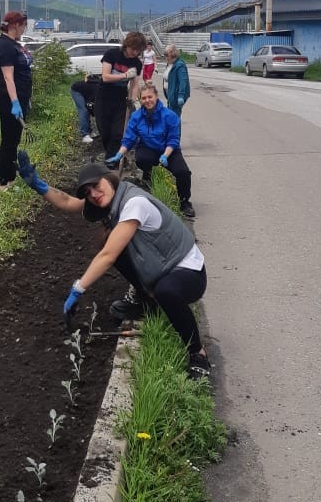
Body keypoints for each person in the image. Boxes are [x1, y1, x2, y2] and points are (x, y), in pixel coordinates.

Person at [16, 153, 211, 380]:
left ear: (108, 179)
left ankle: (198, 353)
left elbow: (107, 256)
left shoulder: (134, 203)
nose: (94, 194)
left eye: (96, 186)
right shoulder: (112, 201)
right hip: (162, 267)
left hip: (189, 272)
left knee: (161, 288)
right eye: (88, 193)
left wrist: (78, 289)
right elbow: (68, 202)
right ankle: (145, 299)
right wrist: (39, 186)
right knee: (118, 250)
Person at [105, 82, 195, 220]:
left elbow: (173, 140)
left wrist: (165, 156)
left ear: (156, 96)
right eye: (144, 98)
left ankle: (184, 202)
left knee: (183, 172)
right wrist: (119, 153)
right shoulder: (137, 117)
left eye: (150, 97)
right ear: (140, 99)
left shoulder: (170, 116)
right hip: (148, 148)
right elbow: (129, 138)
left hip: (169, 150)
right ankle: (148, 174)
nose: (147, 100)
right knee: (142, 159)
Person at [0, 10, 32, 190]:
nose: (24, 29)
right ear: (15, 25)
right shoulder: (6, 46)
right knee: (9, 141)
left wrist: (25, 99)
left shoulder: (13, 44)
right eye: (24, 26)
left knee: (14, 140)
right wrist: (15, 102)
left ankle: (11, 177)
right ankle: (3, 181)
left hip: (19, 98)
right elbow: (8, 77)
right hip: (8, 100)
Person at [95, 30, 145, 159]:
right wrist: (125, 75)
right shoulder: (112, 54)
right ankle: (110, 155)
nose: (135, 52)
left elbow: (134, 84)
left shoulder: (136, 63)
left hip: (120, 98)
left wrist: (132, 100)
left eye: (138, 50)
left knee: (118, 132)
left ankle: (112, 160)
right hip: (104, 96)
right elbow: (105, 77)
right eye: (133, 49)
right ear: (127, 44)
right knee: (104, 131)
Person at [70, 73, 100, 144]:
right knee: (84, 110)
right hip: (76, 90)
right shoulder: (97, 90)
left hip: (86, 91)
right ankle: (85, 135)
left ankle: (90, 132)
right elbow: (90, 104)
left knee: (93, 110)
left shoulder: (101, 88)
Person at [162, 44, 191, 117]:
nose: (165, 57)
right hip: (170, 95)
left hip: (176, 96)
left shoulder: (180, 65)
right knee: (170, 116)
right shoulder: (170, 64)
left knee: (174, 117)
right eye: (165, 55)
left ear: (173, 55)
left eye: (166, 55)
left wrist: (181, 95)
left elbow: (183, 81)